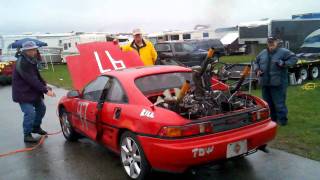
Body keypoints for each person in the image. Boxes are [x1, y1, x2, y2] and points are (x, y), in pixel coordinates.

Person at [12, 41, 55, 143]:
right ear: (25, 51)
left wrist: (44, 84)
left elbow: (36, 75)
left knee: (41, 108)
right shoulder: (22, 62)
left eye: (35, 49)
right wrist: (45, 91)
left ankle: (36, 127)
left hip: (33, 93)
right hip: (23, 93)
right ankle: (27, 134)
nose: (34, 51)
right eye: (31, 50)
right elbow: (31, 79)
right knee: (29, 113)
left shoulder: (31, 60)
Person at [254, 37, 298, 126]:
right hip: (265, 83)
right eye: (269, 42)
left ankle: (282, 121)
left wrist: (284, 63)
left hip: (278, 83)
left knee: (279, 103)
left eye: (272, 42)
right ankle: (272, 120)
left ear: (276, 42)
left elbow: (294, 59)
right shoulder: (263, 52)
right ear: (267, 43)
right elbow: (256, 62)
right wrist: (257, 69)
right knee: (268, 103)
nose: (271, 44)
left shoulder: (284, 52)